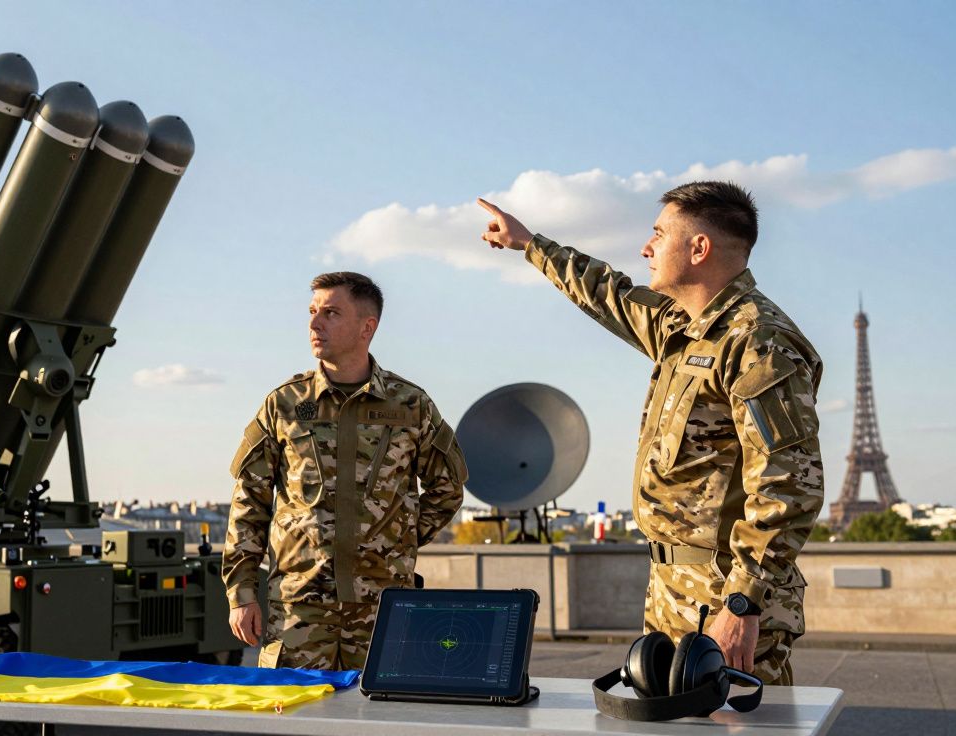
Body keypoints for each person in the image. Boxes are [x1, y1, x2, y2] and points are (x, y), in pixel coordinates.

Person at [477, 182, 822, 685]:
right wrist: (530, 244)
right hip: (672, 589)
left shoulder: (758, 343)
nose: (646, 248)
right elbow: (608, 292)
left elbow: (789, 485)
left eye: (659, 234)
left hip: (726, 597)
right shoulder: (682, 328)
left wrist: (744, 604)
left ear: (699, 249)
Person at [222, 271, 467, 670]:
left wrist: (394, 541)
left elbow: (448, 488)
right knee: (295, 721)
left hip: (383, 607)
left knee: (381, 723)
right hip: (299, 607)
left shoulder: (410, 405)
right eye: (313, 312)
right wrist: (242, 592)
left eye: (331, 313)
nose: (314, 324)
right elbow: (249, 500)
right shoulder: (283, 404)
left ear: (366, 327)